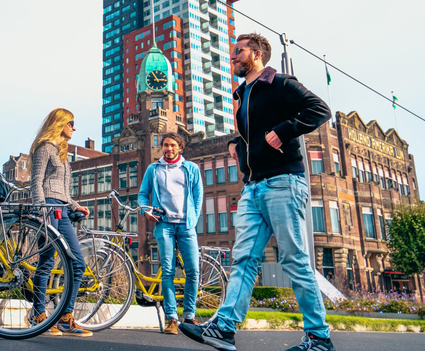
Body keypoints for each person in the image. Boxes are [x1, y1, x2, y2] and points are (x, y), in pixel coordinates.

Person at [180, 33, 334, 351]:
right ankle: (224, 328)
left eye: (238, 51)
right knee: (245, 259)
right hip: (253, 187)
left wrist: (285, 130)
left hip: (283, 182)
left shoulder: (280, 82)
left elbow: (320, 110)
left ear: (257, 54)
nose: (233, 56)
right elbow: (252, 133)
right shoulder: (243, 93)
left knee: (294, 259)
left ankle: (319, 337)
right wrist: (238, 144)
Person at [28, 108, 92, 337]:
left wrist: (75, 206)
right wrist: (41, 210)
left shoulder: (62, 154)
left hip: (62, 210)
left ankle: (65, 317)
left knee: (77, 263)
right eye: (71, 123)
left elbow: (64, 191)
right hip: (48, 208)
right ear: (61, 123)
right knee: (46, 261)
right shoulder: (44, 148)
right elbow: (35, 182)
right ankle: (38, 314)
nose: (74, 128)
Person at [138, 132, 203, 335]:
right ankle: (172, 318)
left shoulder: (191, 168)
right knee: (167, 271)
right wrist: (145, 210)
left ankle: (189, 316)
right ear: (162, 147)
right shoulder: (153, 169)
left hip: (186, 226)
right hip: (164, 225)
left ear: (180, 148)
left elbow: (198, 195)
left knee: (192, 271)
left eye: (173, 145)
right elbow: (142, 194)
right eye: (165, 145)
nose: (169, 148)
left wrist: (193, 218)